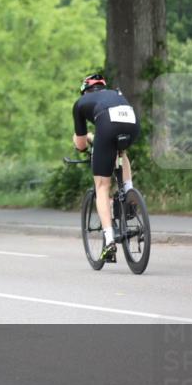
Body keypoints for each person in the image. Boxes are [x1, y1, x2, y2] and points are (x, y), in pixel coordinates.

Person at [72, 73, 141, 262]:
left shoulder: (80, 103)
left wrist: (85, 140)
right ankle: (129, 193)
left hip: (106, 125)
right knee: (122, 152)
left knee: (102, 186)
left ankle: (109, 241)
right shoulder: (115, 93)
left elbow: (80, 145)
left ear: (85, 90)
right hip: (132, 123)